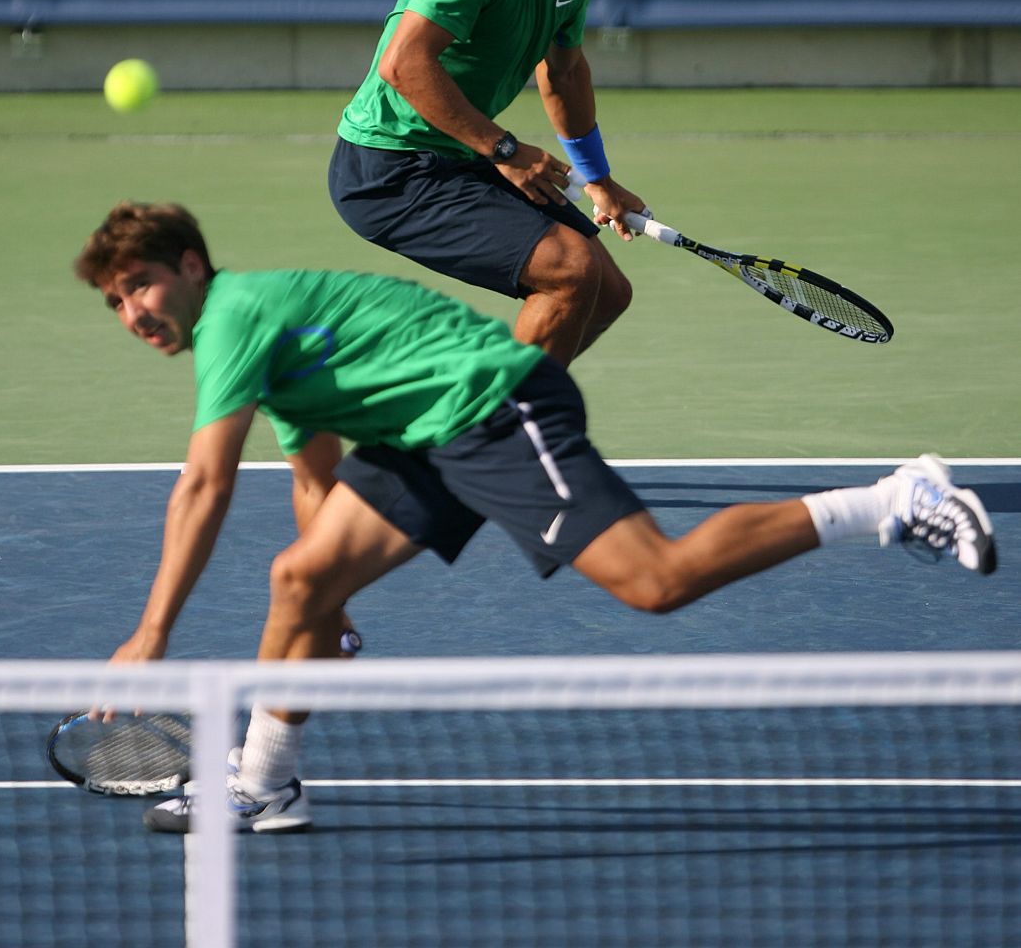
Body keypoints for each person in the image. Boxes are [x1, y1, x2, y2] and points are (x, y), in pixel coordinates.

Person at [74, 201, 996, 834]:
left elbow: (204, 486)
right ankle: (264, 785)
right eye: (115, 302)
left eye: (141, 285)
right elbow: (313, 469)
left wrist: (152, 634)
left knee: (656, 581)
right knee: (298, 579)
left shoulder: (232, 319)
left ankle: (890, 500)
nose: (131, 313)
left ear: (189, 266)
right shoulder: (258, 331)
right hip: (422, 434)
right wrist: (330, 591)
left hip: (491, 407)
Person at [330, 0, 647, 366]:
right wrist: (504, 149)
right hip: (389, 166)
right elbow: (403, 63)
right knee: (572, 271)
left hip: (459, 151)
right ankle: (500, 418)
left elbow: (565, 75)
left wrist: (597, 179)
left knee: (607, 292)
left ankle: (504, 407)